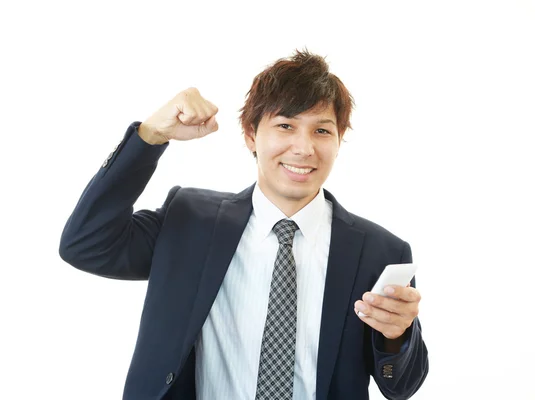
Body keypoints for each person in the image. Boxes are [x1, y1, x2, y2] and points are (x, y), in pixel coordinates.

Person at [59, 49, 428, 400]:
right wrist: (151, 135)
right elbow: (86, 244)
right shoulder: (188, 220)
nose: (303, 148)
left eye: (322, 131)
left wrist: (396, 337)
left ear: (338, 141)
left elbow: (401, 386)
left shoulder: (381, 252)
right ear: (251, 135)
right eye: (285, 125)